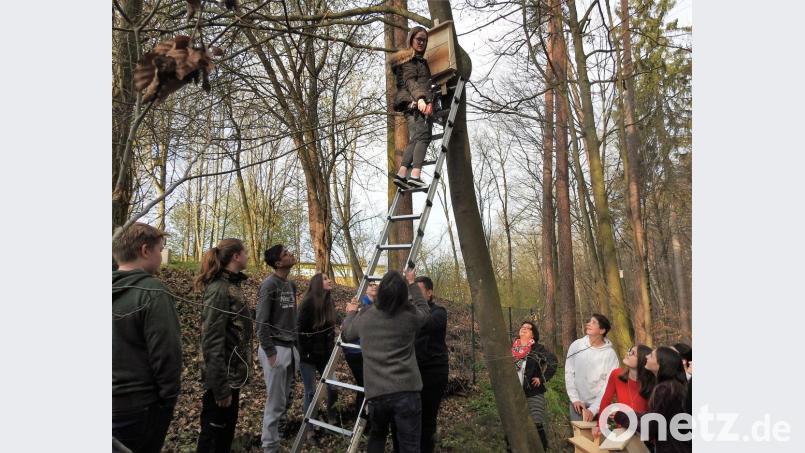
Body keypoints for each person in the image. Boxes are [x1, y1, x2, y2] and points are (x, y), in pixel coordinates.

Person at [341, 268, 431, 453]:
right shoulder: (410, 315)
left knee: (377, 437)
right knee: (410, 445)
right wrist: (412, 283)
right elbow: (425, 310)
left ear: (381, 292)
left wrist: (350, 312)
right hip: (407, 392)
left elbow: (347, 334)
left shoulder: (365, 315)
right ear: (402, 294)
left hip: (377, 394)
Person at [112, 223, 182, 453]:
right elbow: (167, 354)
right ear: (145, 251)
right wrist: (168, 399)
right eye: (160, 250)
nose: (161, 256)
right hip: (139, 408)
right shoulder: (153, 292)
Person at [194, 239, 254, 453]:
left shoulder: (232, 286)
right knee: (213, 441)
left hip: (233, 378)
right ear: (236, 256)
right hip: (222, 381)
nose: (247, 255)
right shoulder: (219, 289)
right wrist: (220, 388)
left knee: (223, 440)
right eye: (245, 252)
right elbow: (211, 341)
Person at [393, 276, 449, 453]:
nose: (413, 294)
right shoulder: (407, 314)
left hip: (433, 373)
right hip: (411, 373)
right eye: (411, 291)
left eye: (417, 290)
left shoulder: (439, 312)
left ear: (430, 293)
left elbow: (425, 322)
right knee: (405, 417)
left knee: (427, 418)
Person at [256, 244, 300, 453]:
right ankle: (269, 447)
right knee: (274, 403)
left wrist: (296, 347)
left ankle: (276, 441)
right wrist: (270, 351)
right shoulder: (269, 285)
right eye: (286, 254)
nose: (291, 255)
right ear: (278, 263)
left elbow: (292, 319)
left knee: (284, 401)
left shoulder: (290, 285)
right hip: (275, 349)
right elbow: (261, 321)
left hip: (291, 348)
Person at [617, 346, 692, 453]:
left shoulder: (665, 389)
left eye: (651, 355)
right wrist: (630, 413)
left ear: (661, 364)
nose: (647, 356)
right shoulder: (674, 386)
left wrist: (622, 417)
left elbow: (651, 427)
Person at [390, 26, 436, 190]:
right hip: (415, 103)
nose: (422, 43)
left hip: (411, 103)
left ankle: (402, 174)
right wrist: (421, 99)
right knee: (423, 137)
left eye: (424, 40)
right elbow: (411, 82)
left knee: (416, 138)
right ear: (411, 40)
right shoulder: (410, 61)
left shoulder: (416, 60)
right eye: (419, 39)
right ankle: (415, 175)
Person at [589, 344, 655, 441]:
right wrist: (600, 425)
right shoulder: (616, 374)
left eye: (633, 353)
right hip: (622, 431)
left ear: (642, 360)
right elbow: (605, 401)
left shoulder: (652, 382)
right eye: (629, 350)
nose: (628, 354)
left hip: (643, 433)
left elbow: (652, 412)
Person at [297, 273, 338, 422]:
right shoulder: (307, 303)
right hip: (307, 356)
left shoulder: (329, 302)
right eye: (325, 279)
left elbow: (331, 330)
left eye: (328, 278)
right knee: (311, 392)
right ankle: (309, 429)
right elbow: (299, 331)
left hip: (325, 355)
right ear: (317, 284)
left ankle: (332, 420)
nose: (329, 281)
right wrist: (308, 351)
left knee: (333, 386)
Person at [565, 313, 620, 422]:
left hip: (600, 405)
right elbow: (569, 373)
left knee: (597, 438)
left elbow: (608, 385)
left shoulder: (610, 354)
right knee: (579, 438)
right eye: (589, 322)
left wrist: (594, 409)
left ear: (602, 330)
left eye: (593, 323)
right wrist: (574, 399)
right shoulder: (577, 345)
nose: (588, 324)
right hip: (577, 405)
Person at [512, 321, 558, 450]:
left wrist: (542, 378)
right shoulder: (511, 348)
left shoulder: (538, 349)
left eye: (528, 328)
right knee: (514, 425)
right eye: (523, 327)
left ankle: (541, 449)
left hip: (533, 393)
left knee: (536, 424)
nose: (524, 329)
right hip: (514, 394)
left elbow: (553, 362)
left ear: (533, 335)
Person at [341, 281, 378, 416]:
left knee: (367, 384)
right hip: (355, 351)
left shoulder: (376, 305)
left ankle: (366, 417)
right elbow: (349, 329)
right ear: (364, 290)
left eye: (376, 284)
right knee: (364, 384)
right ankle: (361, 417)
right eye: (371, 284)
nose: (374, 286)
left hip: (367, 351)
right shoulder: (361, 304)